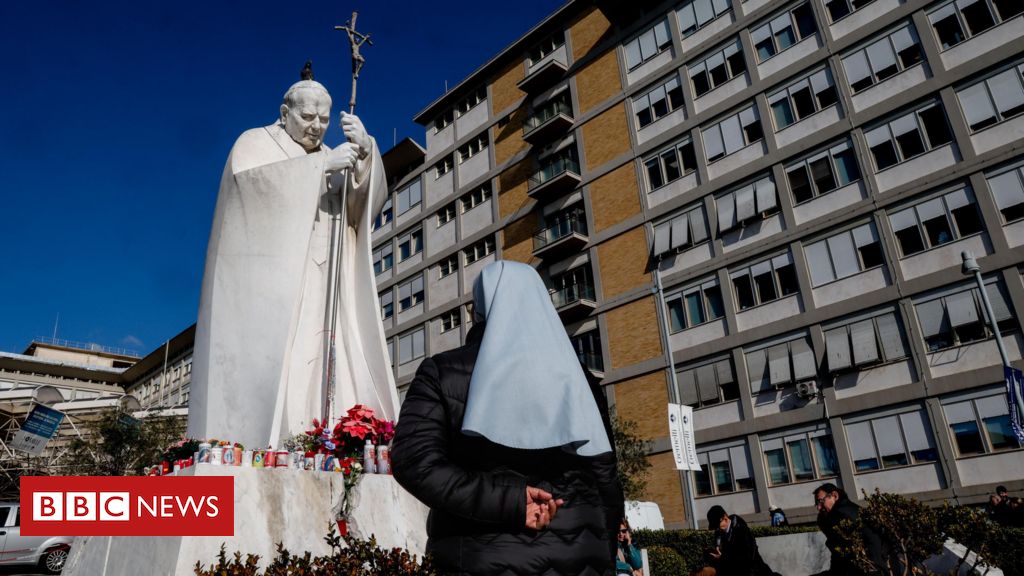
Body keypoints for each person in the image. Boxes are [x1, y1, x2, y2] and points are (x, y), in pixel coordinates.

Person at [188, 65, 399, 448]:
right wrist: (318, 169)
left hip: (327, 282)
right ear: (285, 113)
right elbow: (246, 191)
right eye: (307, 117)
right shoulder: (255, 143)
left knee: (325, 359)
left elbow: (360, 210)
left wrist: (366, 156)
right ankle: (282, 439)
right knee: (287, 365)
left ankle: (331, 435)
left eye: (323, 118)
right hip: (280, 284)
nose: (317, 127)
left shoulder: (336, 154)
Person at [392, 260, 624, 575]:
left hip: (477, 556)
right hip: (582, 556)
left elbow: (414, 462)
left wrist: (510, 503)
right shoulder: (579, 379)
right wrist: (603, 555)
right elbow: (605, 477)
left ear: (480, 309)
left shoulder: (442, 372)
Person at [814, 483, 885, 575]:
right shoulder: (851, 509)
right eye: (816, 503)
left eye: (821, 501)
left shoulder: (840, 515)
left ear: (835, 496)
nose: (819, 507)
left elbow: (841, 554)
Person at [705, 505, 779, 576]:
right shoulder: (720, 535)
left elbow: (747, 558)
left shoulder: (742, 531)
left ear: (725, 518)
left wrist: (722, 558)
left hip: (754, 572)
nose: (717, 529)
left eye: (718, 525)